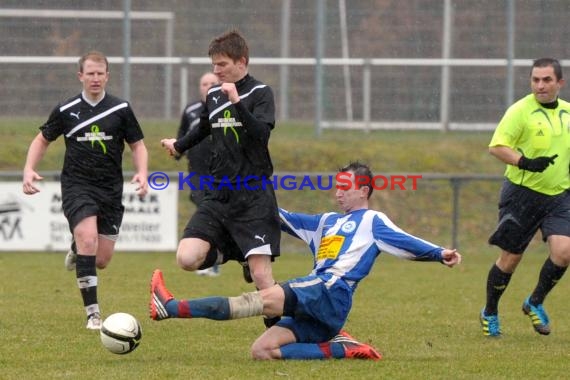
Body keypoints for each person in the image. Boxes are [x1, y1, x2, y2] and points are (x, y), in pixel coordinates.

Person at [149, 161, 462, 360]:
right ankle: (338, 349)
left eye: (345, 187)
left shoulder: (372, 220)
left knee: (256, 301)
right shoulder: (325, 222)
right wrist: (245, 193)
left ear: (364, 190)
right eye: (336, 186)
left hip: (328, 291)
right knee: (262, 351)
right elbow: (278, 217)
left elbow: (406, 241)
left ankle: (171, 307)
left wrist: (439, 253)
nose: (338, 193)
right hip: (319, 303)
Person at [22, 50, 148, 330]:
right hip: (77, 185)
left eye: (99, 73)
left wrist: (142, 172)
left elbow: (137, 144)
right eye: (89, 73)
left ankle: (76, 249)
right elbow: (42, 139)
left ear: (107, 76)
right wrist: (29, 168)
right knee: (87, 238)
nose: (95, 78)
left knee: (101, 259)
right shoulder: (67, 110)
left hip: (110, 190)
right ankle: (93, 314)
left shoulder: (121, 109)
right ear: (80, 75)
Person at [160, 29, 280, 317]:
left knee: (262, 278)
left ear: (242, 61)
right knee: (187, 258)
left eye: (222, 65)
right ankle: (235, 252)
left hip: (253, 195)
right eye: (213, 65)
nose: (216, 71)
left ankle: (280, 333)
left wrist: (238, 103)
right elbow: (203, 127)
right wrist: (179, 146)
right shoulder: (214, 93)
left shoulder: (260, 93)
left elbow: (261, 134)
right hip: (219, 193)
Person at [480, 57, 570, 337]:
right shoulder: (520, 111)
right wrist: (525, 162)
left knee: (564, 252)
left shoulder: (568, 112)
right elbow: (497, 147)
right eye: (535, 80)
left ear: (560, 83)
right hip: (522, 195)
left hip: (558, 196)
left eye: (546, 80)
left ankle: (535, 302)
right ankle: (490, 312)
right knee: (510, 259)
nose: (540, 86)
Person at [176, 72, 221, 277]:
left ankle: (213, 259)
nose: (209, 86)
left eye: (213, 83)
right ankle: (209, 257)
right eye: (205, 83)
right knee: (204, 207)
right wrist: (177, 149)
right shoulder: (191, 110)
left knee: (213, 211)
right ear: (200, 87)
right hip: (196, 172)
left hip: (221, 173)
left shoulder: (227, 108)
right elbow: (183, 136)